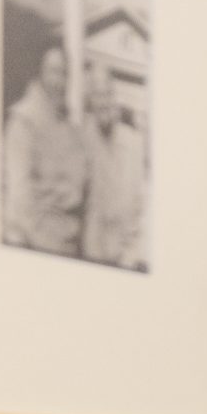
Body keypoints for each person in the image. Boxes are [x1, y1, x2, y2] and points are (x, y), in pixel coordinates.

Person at [1, 42, 90, 258]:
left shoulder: (68, 125)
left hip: (69, 244)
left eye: (64, 74)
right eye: (53, 71)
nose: (60, 81)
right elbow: (19, 202)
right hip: (39, 246)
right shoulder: (24, 121)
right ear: (39, 73)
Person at [79, 63, 148, 271]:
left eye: (108, 93)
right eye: (97, 95)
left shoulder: (134, 142)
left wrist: (131, 253)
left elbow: (140, 204)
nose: (104, 102)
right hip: (92, 252)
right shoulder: (81, 140)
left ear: (114, 96)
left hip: (127, 253)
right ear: (90, 100)